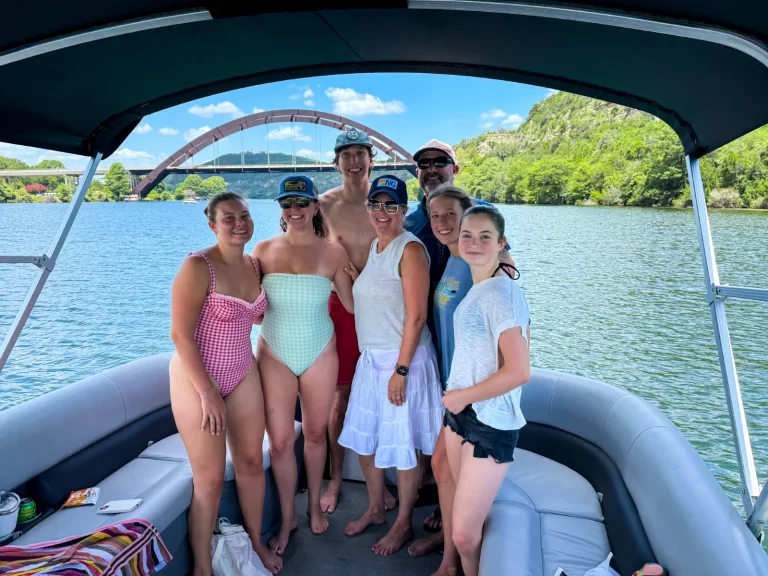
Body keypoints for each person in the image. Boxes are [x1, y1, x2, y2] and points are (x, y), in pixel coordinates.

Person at [169, 192, 282, 575]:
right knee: (211, 478)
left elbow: (252, 319)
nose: (239, 223)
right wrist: (207, 392)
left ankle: (256, 543)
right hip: (197, 377)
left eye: (245, 216)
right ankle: (202, 565)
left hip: (241, 368)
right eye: (229, 217)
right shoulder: (198, 266)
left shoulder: (254, 266)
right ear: (212, 225)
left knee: (252, 461)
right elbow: (181, 336)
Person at [338, 175, 444, 555]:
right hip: (371, 361)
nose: (382, 212)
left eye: (391, 205)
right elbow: (364, 303)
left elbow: (416, 317)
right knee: (365, 442)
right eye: (376, 204)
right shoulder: (376, 246)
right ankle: (375, 508)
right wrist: (346, 278)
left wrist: (401, 371)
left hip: (404, 362)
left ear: (403, 210)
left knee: (403, 447)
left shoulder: (410, 249)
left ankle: (403, 525)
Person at [252, 176, 354, 556]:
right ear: (280, 209)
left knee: (314, 434)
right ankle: (286, 517)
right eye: (286, 204)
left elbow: (352, 304)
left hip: (320, 351)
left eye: (301, 203)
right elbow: (257, 317)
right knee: (279, 442)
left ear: (315, 207)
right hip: (274, 351)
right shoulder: (260, 251)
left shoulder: (334, 252)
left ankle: (312, 505)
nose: (294, 211)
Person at [442, 205, 531, 576]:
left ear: (501, 244)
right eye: (467, 235)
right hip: (461, 415)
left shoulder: (502, 295)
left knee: (464, 534)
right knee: (465, 518)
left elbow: (520, 371)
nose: (474, 243)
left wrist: (462, 397)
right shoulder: (481, 287)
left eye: (485, 237)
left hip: (489, 422)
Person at [318, 129, 397, 515]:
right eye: (345, 154)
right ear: (336, 162)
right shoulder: (321, 206)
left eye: (360, 153)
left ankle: (378, 483)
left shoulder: (387, 202)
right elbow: (301, 253)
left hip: (383, 310)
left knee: (386, 393)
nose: (353, 160)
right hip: (341, 309)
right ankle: (334, 479)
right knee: (340, 398)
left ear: (372, 160)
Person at [408, 185, 475, 576]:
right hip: (452, 388)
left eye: (451, 214)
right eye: (435, 216)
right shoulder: (452, 260)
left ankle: (454, 557)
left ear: (468, 215)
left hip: (472, 393)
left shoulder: (481, 263)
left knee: (447, 468)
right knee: (443, 468)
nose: (442, 222)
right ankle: (450, 553)